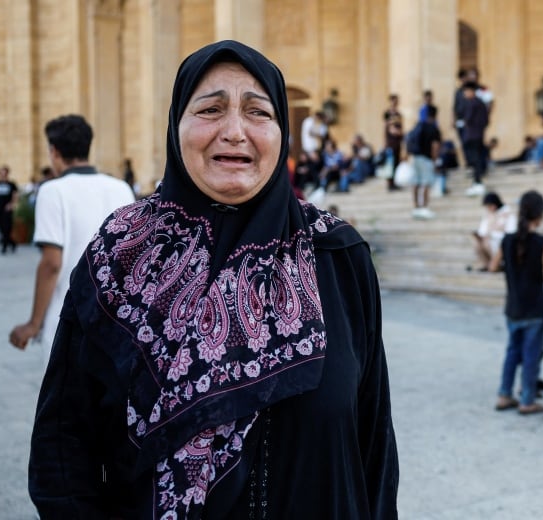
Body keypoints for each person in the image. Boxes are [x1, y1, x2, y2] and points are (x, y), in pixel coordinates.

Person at [26, 40, 398, 519]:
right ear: (176, 125)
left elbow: (373, 440)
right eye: (211, 109)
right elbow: (63, 445)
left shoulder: (337, 253)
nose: (235, 132)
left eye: (258, 112)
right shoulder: (119, 257)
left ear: (281, 132)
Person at [8, 115, 135, 365]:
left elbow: (52, 263)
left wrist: (33, 324)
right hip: (117, 320)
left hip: (67, 321)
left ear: (54, 151)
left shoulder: (53, 191)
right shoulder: (121, 188)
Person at [489, 190, 543, 415]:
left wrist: (511, 268)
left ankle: (504, 394)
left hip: (513, 307)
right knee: (531, 355)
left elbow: (492, 266)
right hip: (534, 308)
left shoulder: (507, 240)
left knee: (512, 352)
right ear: (541, 214)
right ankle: (527, 399)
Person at [407, 105, 441, 219]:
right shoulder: (433, 128)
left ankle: (416, 207)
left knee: (416, 182)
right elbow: (435, 146)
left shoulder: (418, 126)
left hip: (415, 157)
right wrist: (435, 160)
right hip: (426, 158)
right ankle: (424, 207)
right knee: (426, 182)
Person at [470, 192, 515, 271]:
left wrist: (493, 235)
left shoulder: (508, 214)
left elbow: (511, 233)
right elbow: (482, 230)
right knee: (477, 243)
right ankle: (487, 265)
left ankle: (498, 264)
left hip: (500, 242)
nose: (489, 208)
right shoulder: (488, 214)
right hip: (488, 240)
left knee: (487, 242)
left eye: (490, 206)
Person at [462, 82, 490, 197]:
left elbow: (467, 118)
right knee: (477, 157)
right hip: (479, 134)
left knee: (474, 159)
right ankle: (477, 181)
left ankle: (477, 181)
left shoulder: (472, 103)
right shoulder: (481, 103)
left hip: (473, 134)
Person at [0, 164, 19, 254]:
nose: (3, 174)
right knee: (1, 227)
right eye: (1, 173)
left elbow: (15, 196)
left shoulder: (11, 184)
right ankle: (12, 243)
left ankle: (4, 246)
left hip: (7, 209)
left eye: (4, 173)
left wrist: (12, 204)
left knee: (6, 227)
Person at [383, 94, 404, 192]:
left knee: (396, 162)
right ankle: (389, 183)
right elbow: (386, 128)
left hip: (397, 142)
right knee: (390, 163)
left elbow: (400, 127)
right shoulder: (387, 113)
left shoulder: (398, 114)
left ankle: (394, 182)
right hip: (390, 142)